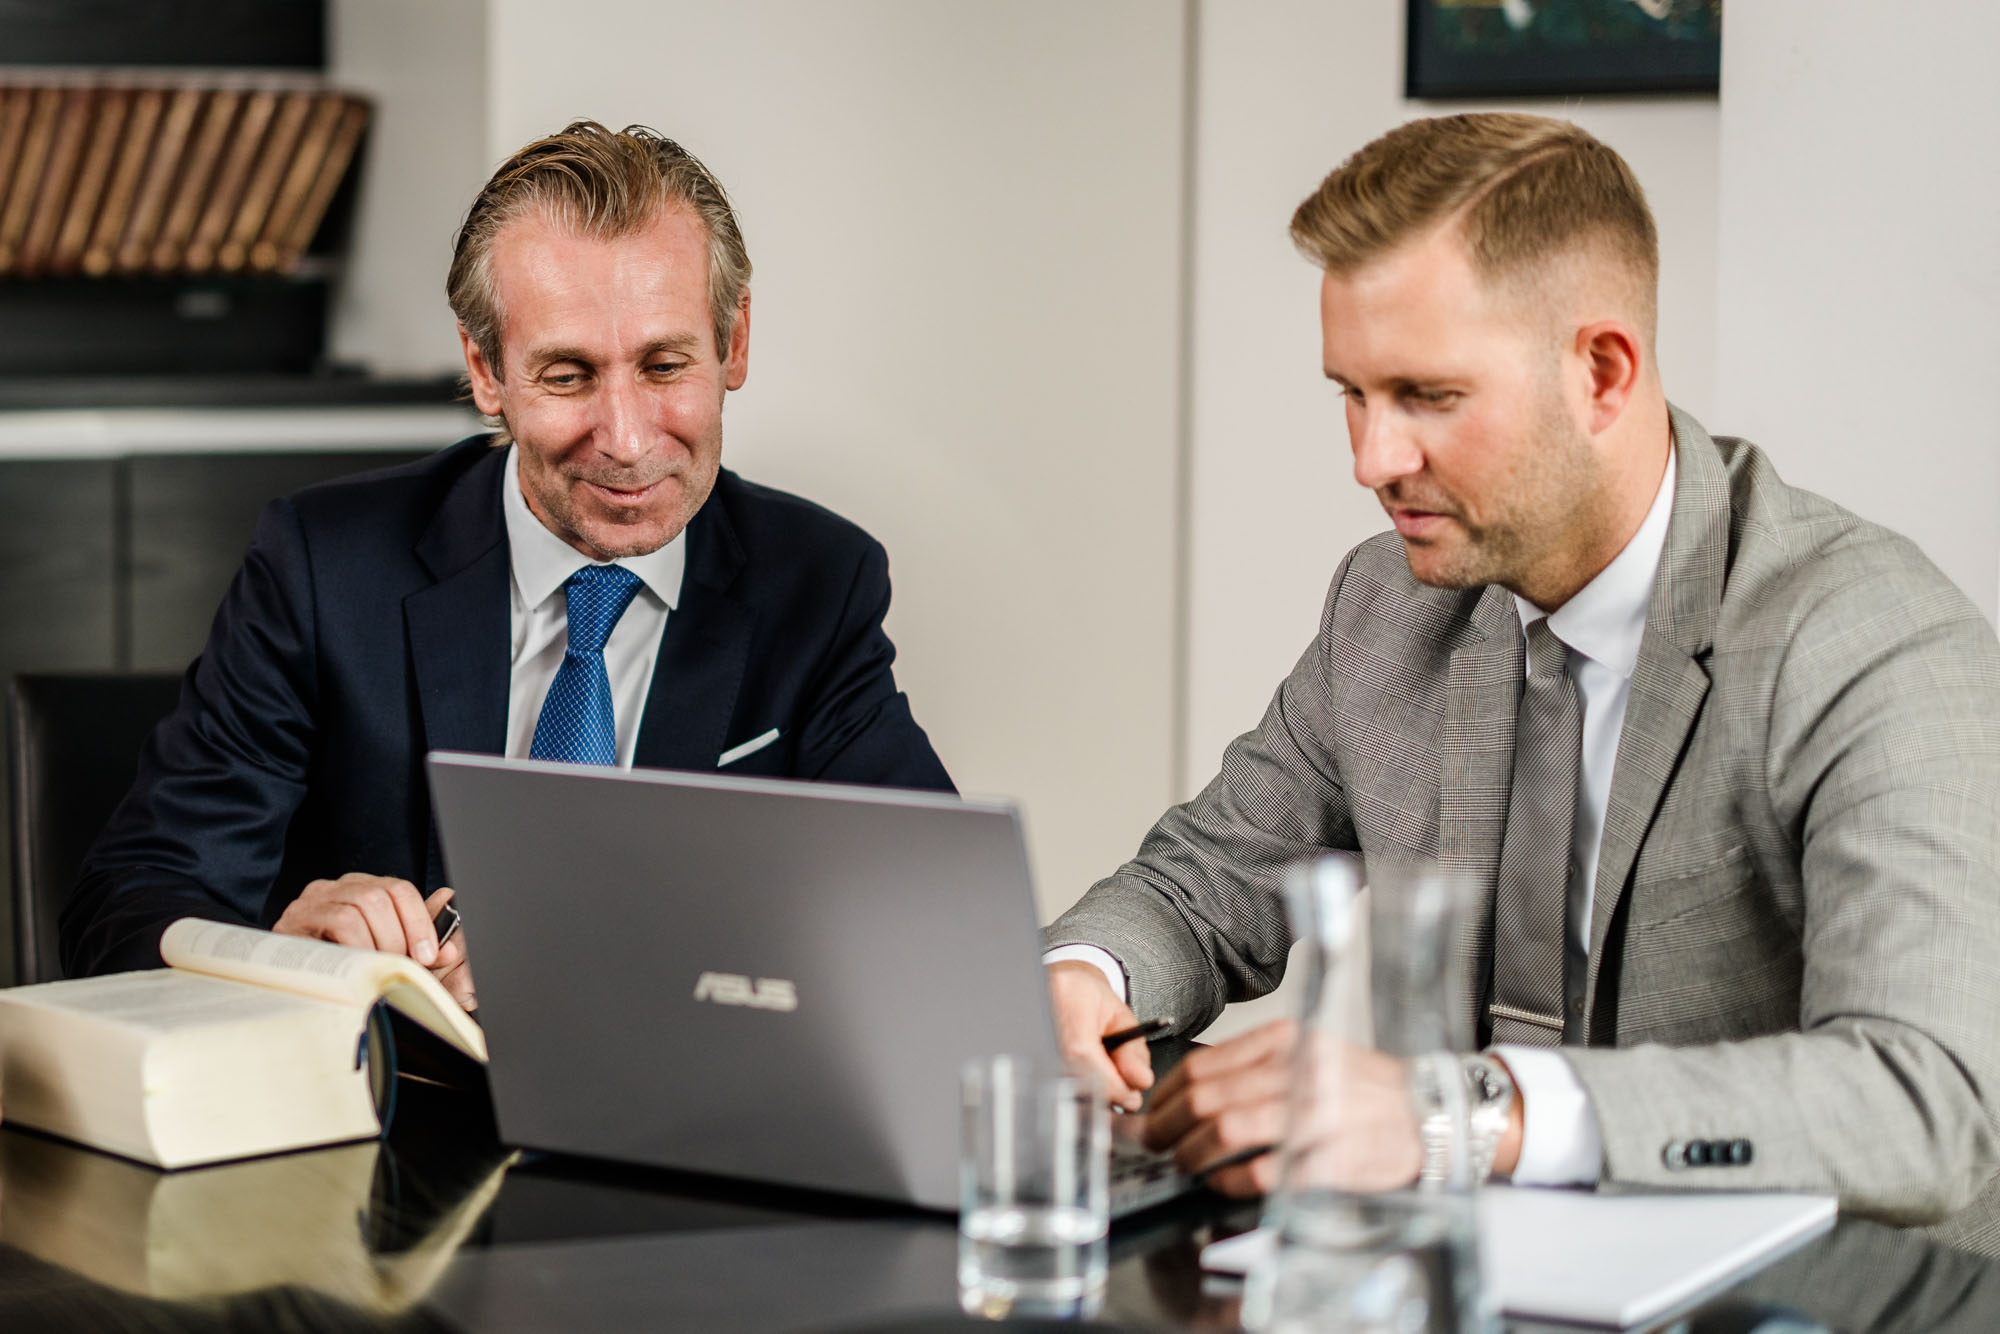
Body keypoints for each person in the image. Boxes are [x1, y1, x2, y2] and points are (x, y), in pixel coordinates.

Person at [1044, 112, 2000, 1229]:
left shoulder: (1863, 638)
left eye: (1427, 397)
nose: (1370, 459)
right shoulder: (1386, 603)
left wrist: (1456, 1111)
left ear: (1599, 372)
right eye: (1349, 393)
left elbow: (1924, 1100)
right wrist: (1081, 975)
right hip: (1460, 1274)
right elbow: (1198, 882)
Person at [62, 122, 954, 1004]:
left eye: (665, 364)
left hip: (686, 1126)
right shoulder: (323, 568)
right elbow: (127, 903)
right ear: (486, 370)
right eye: (568, 375)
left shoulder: (818, 584)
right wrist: (281, 954)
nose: (629, 440)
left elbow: (933, 921)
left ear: (736, 343)